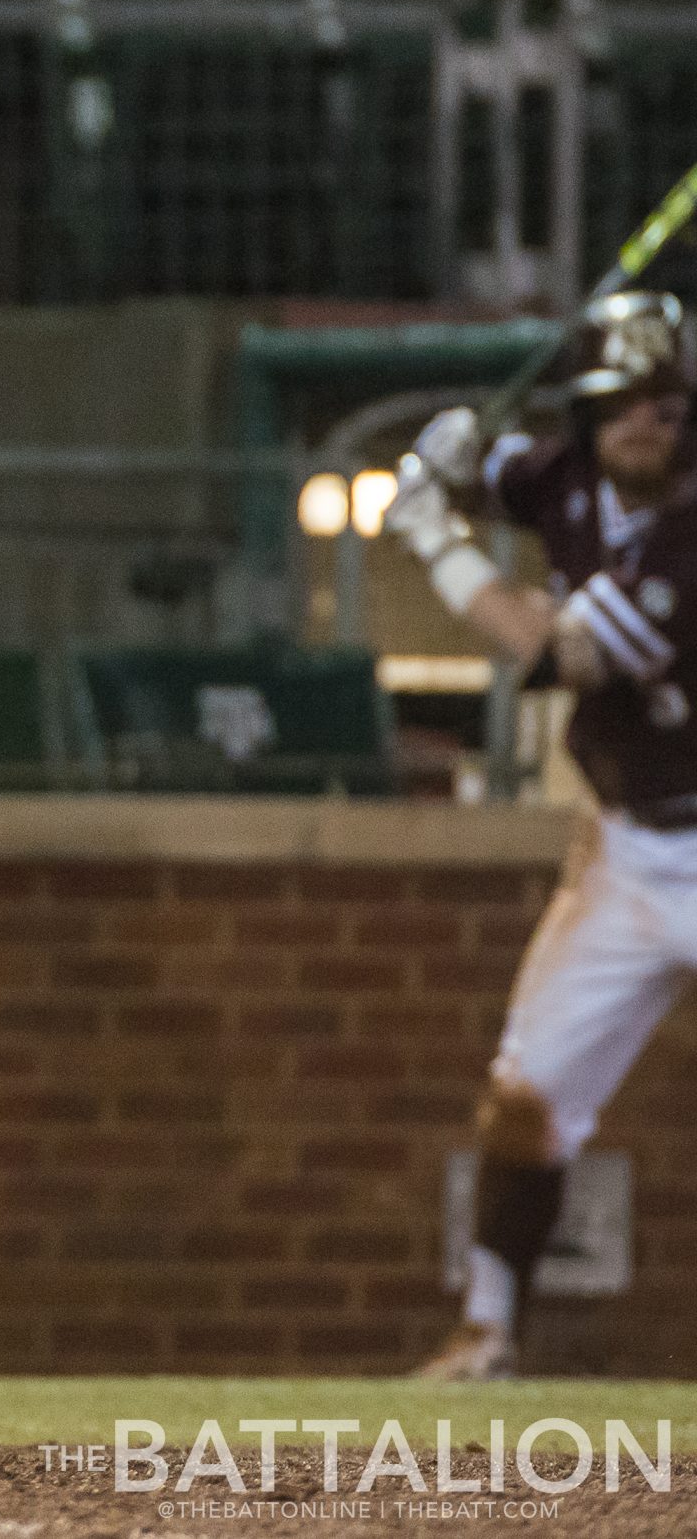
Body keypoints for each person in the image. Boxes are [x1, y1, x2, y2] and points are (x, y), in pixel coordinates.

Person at [384, 291, 697, 1379]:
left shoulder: (687, 537)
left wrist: (434, 540)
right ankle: (487, 1331)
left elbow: (558, 654)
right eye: (623, 405)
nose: (646, 426)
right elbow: (492, 461)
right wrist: (445, 454)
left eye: (667, 407)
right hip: (625, 851)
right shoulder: (558, 474)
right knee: (524, 1100)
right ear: (586, 412)